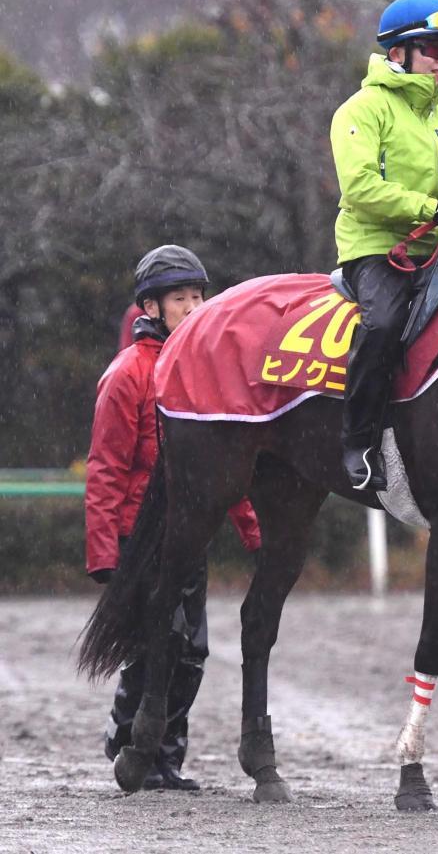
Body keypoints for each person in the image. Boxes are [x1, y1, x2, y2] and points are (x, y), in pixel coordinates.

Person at [85, 244, 262, 791]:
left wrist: (256, 534)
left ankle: (165, 757)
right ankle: (129, 737)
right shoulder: (126, 375)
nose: (193, 306)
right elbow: (107, 468)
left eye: (197, 296)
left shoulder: (208, 376)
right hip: (139, 538)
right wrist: (103, 554)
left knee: (192, 652)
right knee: (149, 646)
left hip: (189, 534)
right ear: (153, 307)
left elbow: (221, 467)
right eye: (180, 299)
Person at [330, 0, 438, 491]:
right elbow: (360, 188)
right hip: (376, 250)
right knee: (383, 325)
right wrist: (434, 211)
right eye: (432, 46)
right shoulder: (361, 110)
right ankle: (358, 441)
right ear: (397, 54)